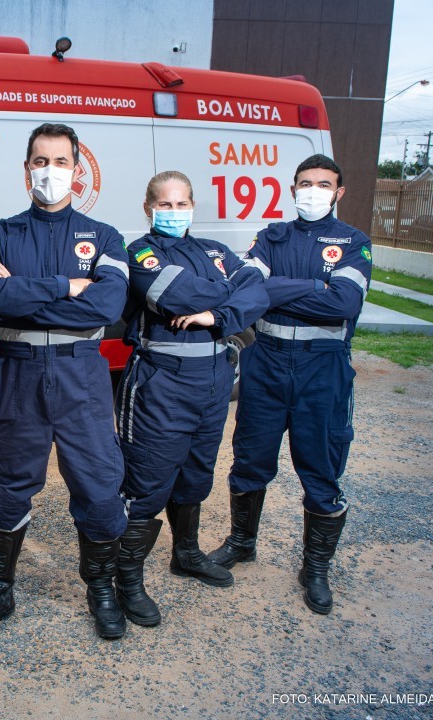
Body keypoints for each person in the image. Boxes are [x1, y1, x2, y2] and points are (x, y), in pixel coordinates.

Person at [0, 123, 130, 641]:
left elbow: (107, 304)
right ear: (26, 169)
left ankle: (100, 587)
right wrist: (65, 286)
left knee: (101, 487)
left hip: (82, 374)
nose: (50, 171)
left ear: (77, 171)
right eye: (41, 161)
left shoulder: (106, 236)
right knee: (9, 488)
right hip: (19, 375)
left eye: (60, 162)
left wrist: (24, 290)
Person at [210, 154, 372, 615]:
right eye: (305, 183)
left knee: (321, 467)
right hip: (267, 362)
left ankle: (315, 568)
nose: (313, 191)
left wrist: (282, 287)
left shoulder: (354, 242)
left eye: (324, 184)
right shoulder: (272, 235)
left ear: (339, 193)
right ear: (292, 187)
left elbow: (343, 302)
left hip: (323, 368)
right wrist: (313, 287)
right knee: (250, 458)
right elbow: (247, 286)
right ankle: (242, 542)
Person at [114, 171, 268, 626]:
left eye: (182, 204)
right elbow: (171, 294)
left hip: (216, 376)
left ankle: (186, 553)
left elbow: (259, 291)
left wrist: (214, 315)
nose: (174, 212)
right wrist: (226, 300)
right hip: (164, 379)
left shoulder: (215, 251)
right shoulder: (140, 252)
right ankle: (128, 580)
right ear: (148, 207)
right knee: (148, 477)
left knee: (197, 470)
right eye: (166, 204)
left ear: (194, 206)